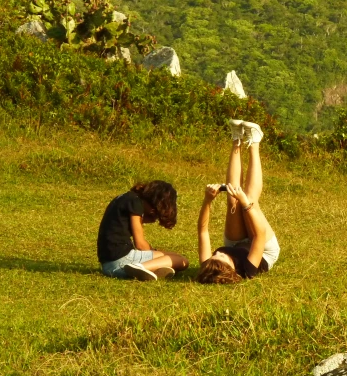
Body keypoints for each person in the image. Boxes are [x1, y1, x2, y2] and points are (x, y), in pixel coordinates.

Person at [196, 120, 280, 284]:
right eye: (221, 257)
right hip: (264, 248)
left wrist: (207, 201)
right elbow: (259, 237)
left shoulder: (209, 264)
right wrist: (246, 204)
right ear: (230, 268)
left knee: (232, 201)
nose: (217, 253)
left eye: (215, 255)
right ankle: (255, 142)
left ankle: (237, 139)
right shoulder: (247, 269)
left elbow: (202, 231)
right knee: (250, 199)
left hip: (237, 243)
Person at [97, 180, 189, 281]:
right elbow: (140, 244)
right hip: (122, 262)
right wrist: (155, 254)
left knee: (168, 257)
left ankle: (151, 270)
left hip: (107, 266)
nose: (152, 213)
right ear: (154, 202)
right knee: (180, 260)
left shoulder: (126, 198)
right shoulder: (135, 203)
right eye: (154, 211)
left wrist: (154, 254)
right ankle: (141, 267)